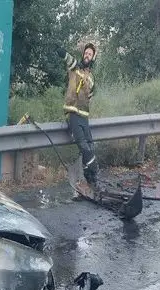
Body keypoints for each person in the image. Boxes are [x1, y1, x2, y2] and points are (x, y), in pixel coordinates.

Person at [55, 42, 99, 190]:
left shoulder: (92, 78)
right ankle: (94, 174)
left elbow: (91, 95)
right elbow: (68, 58)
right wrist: (60, 51)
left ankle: (92, 182)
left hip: (84, 116)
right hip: (72, 114)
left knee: (91, 147)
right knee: (84, 147)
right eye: (86, 53)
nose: (87, 55)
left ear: (93, 58)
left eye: (90, 54)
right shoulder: (75, 68)